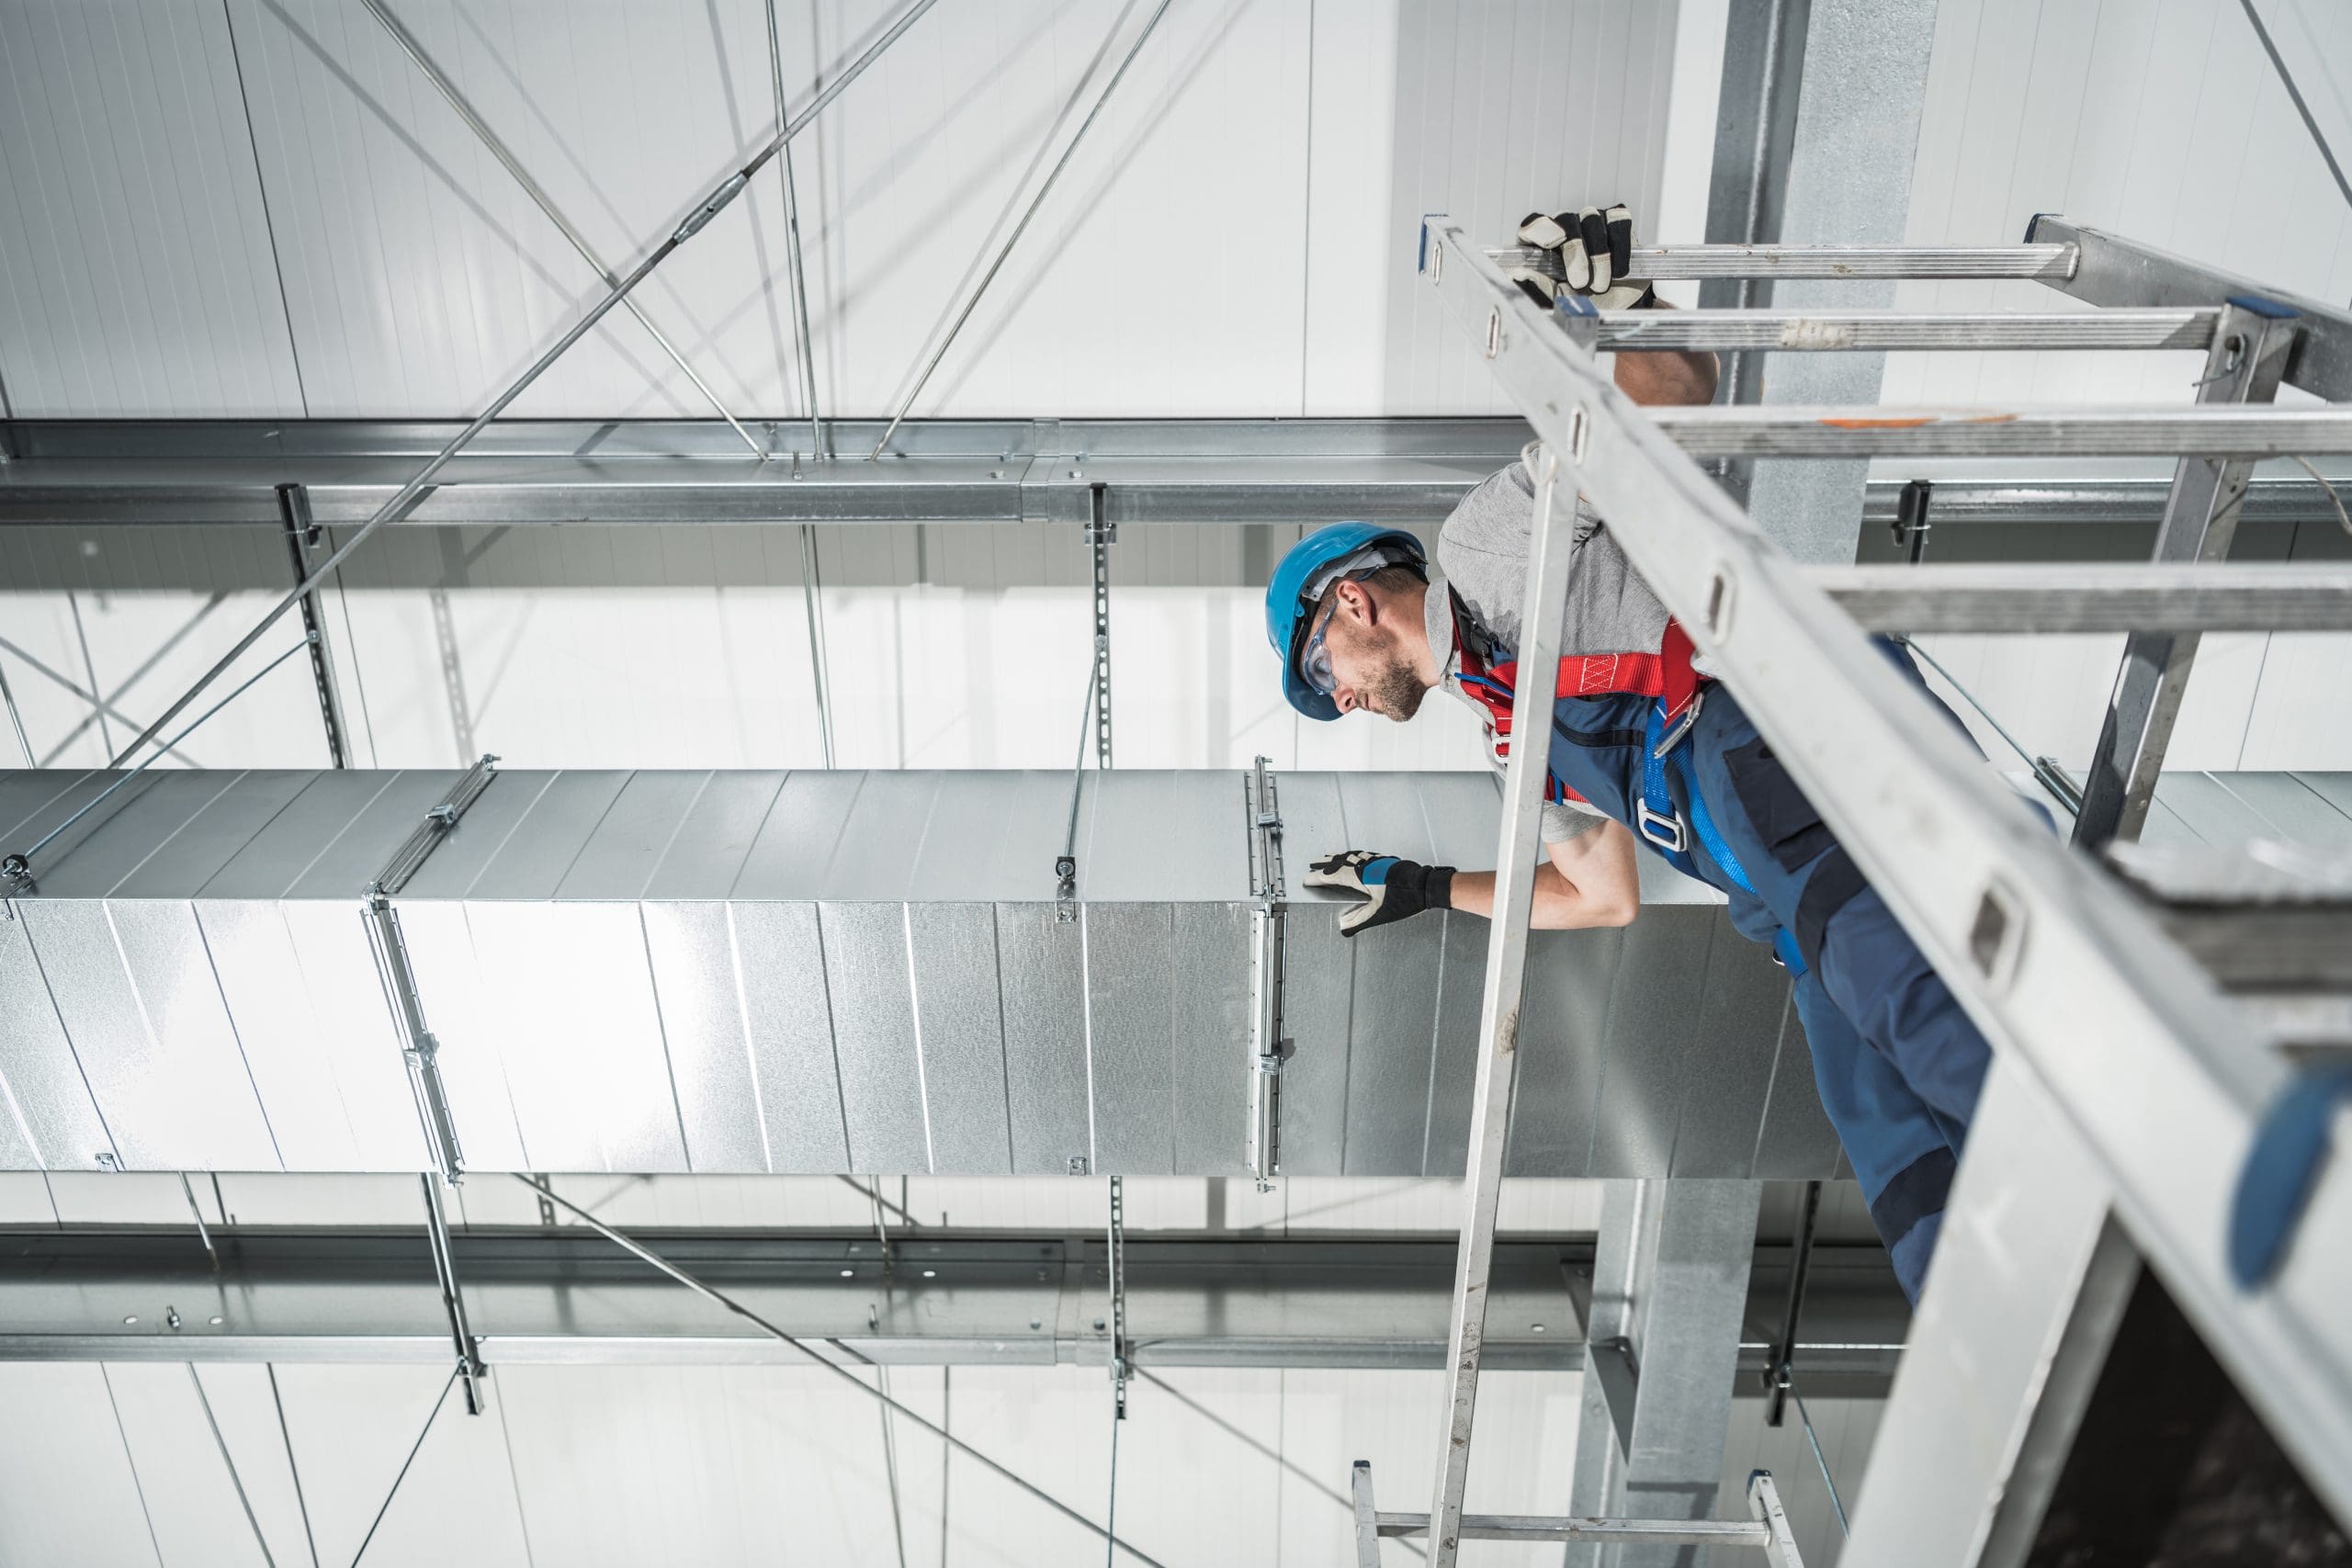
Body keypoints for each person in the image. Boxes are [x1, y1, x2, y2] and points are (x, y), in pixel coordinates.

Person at [1263, 204, 1989, 1301]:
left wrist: (1619, 308)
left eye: (1326, 675)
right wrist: (1426, 885)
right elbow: (1598, 896)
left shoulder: (1481, 557)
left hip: (1781, 743)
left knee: (1952, 1037)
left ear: (1351, 604)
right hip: (1778, 899)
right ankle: (2008, 1350)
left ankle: (2156, 1259)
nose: (1347, 701)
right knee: (1905, 1171)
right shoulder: (1512, 738)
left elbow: (1668, 398)